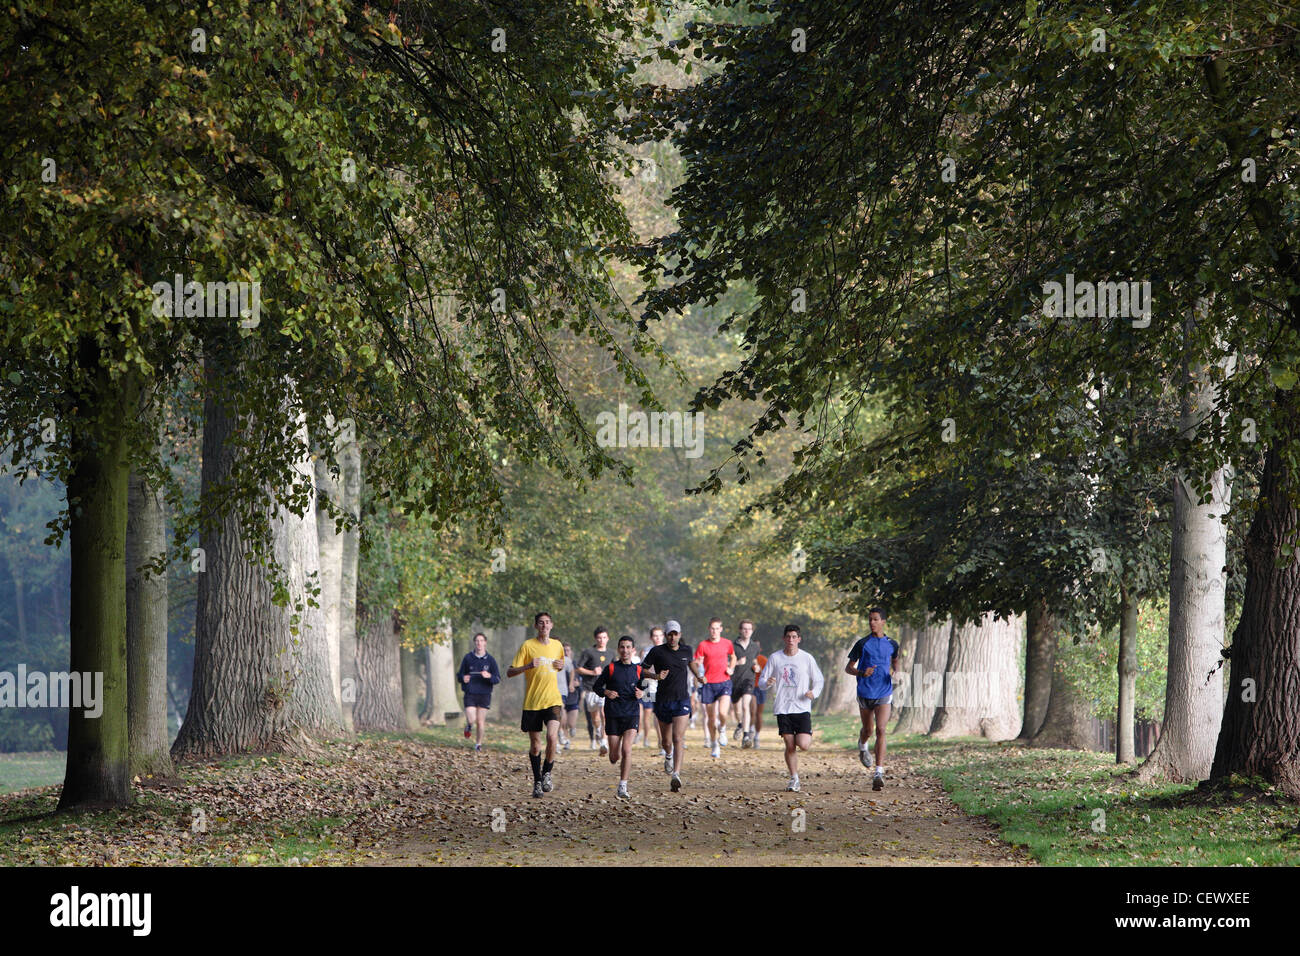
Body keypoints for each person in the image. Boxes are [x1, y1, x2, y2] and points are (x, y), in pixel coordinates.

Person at [506, 611, 566, 798]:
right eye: (540, 623)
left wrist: (561, 666)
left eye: (547, 622)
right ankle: (537, 781)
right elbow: (510, 672)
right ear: (536, 626)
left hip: (553, 700)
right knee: (535, 745)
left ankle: (547, 772)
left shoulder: (557, 645)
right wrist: (528, 666)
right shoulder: (527, 646)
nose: (544, 626)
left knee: (552, 736)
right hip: (533, 702)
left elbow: (561, 663)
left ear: (551, 625)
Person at [758, 624, 824, 792]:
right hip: (783, 707)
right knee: (789, 745)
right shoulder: (775, 658)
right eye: (788, 637)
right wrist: (768, 683)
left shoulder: (807, 658)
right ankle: (794, 778)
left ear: (799, 639)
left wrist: (813, 692)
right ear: (784, 639)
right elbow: (761, 682)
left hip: (802, 706)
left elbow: (819, 679)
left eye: (794, 637)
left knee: (803, 744)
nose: (791, 640)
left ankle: (805, 735)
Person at [846, 607, 899, 791]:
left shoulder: (892, 643)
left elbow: (895, 661)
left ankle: (878, 772)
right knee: (868, 729)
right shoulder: (862, 643)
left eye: (875, 619)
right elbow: (848, 667)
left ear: (883, 621)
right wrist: (861, 672)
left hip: (884, 691)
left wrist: (896, 673)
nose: (872, 622)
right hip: (865, 691)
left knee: (882, 729)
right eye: (870, 619)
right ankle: (862, 745)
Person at [641, 620, 693, 792]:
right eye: (669, 634)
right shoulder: (657, 651)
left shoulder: (687, 650)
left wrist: (700, 677)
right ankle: (668, 756)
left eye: (675, 634)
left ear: (680, 634)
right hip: (663, 700)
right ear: (666, 635)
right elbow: (642, 670)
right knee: (666, 741)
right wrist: (656, 676)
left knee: (678, 738)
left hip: (682, 700)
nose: (672, 637)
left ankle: (676, 774)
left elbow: (692, 665)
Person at [592, 636, 645, 799]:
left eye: (628, 647)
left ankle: (623, 786)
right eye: (622, 647)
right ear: (618, 649)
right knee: (614, 757)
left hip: (631, 713)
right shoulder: (611, 668)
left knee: (627, 749)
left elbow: (643, 689)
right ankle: (614, 754)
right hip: (613, 714)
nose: (625, 650)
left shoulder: (638, 669)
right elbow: (596, 687)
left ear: (633, 650)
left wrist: (641, 694)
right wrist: (606, 692)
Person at [691, 617, 736, 758]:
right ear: (709, 629)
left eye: (717, 628)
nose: (714, 631)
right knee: (711, 717)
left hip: (724, 681)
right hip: (708, 683)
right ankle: (714, 743)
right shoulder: (703, 645)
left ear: (721, 629)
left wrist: (731, 668)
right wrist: (698, 670)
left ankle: (722, 729)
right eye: (712, 628)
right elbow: (696, 660)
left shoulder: (727, 643)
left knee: (723, 713)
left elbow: (733, 656)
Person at [457, 632, 501, 752]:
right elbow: (459, 674)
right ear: (474, 643)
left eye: (481, 641)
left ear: (485, 643)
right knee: (472, 719)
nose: (479, 643)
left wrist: (489, 676)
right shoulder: (468, 658)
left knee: (481, 722)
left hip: (484, 694)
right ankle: (469, 726)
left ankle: (478, 744)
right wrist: (463, 678)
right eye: (477, 641)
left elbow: (497, 678)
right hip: (470, 693)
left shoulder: (490, 660)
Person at [576, 627, 614, 754]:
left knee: (604, 714)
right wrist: (592, 672)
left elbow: (616, 669)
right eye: (599, 638)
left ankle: (604, 742)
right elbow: (579, 668)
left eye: (604, 637)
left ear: (608, 638)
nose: (602, 640)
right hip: (591, 689)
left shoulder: (611, 653)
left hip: (606, 689)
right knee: (595, 718)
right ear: (595, 639)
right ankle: (598, 730)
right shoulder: (589, 652)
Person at [729, 619, 761, 748]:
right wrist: (737, 663)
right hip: (735, 681)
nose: (747, 631)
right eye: (744, 629)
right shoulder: (732, 646)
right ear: (740, 630)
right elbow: (726, 664)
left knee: (745, 706)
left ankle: (746, 735)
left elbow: (754, 660)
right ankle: (740, 724)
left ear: (752, 631)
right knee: (737, 709)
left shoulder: (755, 646)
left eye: (749, 629)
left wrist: (756, 667)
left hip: (749, 680)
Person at [640, 626, 666, 752]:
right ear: (651, 637)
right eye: (655, 635)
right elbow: (643, 669)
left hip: (664, 686)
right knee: (652, 714)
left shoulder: (668, 650)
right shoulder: (646, 651)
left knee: (662, 715)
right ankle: (660, 741)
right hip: (649, 686)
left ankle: (664, 741)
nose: (658, 638)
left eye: (660, 635)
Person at [558, 642, 578, 750]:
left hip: (573, 698)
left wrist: (576, 684)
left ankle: (569, 732)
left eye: (568, 650)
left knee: (570, 724)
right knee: (562, 718)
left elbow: (580, 680)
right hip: (561, 694)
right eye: (564, 650)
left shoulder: (573, 664)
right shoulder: (557, 662)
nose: (566, 652)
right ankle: (564, 740)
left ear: (571, 652)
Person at [751, 652, 768, 748]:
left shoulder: (763, 659)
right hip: (750, 687)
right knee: (752, 711)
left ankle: (757, 736)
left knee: (758, 713)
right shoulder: (747, 658)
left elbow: (767, 673)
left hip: (761, 688)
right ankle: (750, 730)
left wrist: (758, 666)